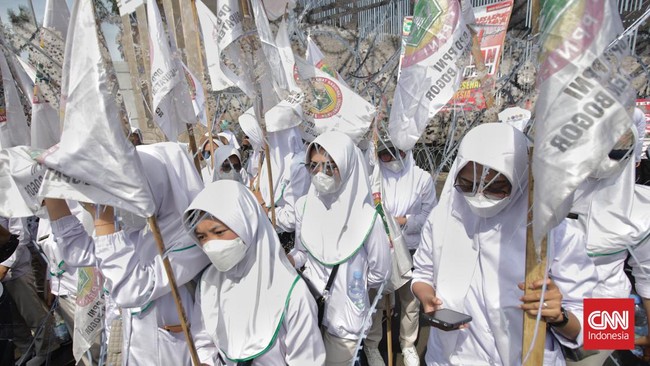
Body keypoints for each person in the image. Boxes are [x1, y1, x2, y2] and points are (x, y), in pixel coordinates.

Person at [411, 123, 597, 365]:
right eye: (467, 185)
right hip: (447, 358)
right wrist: (427, 297)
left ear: (520, 177)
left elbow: (596, 326)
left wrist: (559, 316)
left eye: (496, 188)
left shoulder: (555, 232)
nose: (478, 196)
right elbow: (423, 273)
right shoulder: (442, 219)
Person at [45, 142, 211, 365]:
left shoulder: (194, 242)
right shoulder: (140, 234)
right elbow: (80, 255)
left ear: (160, 186)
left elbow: (132, 290)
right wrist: (53, 193)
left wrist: (103, 217)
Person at [184, 180, 326, 365]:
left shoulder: (291, 293)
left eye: (218, 232)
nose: (211, 245)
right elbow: (203, 340)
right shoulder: (208, 284)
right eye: (202, 237)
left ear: (247, 225)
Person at [289, 131, 392, 366]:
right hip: (309, 310)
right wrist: (289, 259)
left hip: (344, 321)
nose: (319, 174)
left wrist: (353, 287)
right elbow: (302, 252)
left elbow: (380, 273)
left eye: (329, 167)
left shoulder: (368, 219)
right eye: (313, 166)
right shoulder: (304, 207)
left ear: (347, 167)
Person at [566, 127, 650, 365]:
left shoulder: (643, 208)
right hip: (541, 303)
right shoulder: (534, 192)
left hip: (606, 307)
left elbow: (647, 278)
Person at [365, 140, 437, 366]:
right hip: (379, 247)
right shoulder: (373, 179)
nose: (392, 160)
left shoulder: (422, 178)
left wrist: (401, 222)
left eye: (398, 153)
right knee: (376, 300)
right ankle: (372, 345)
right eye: (385, 155)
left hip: (410, 247)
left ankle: (407, 344)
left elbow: (429, 216)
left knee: (410, 300)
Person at [1, 216, 61, 366]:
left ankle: (46, 349)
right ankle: (27, 348)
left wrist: (5, 265)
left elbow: (20, 234)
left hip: (16, 269)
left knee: (33, 313)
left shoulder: (6, 198)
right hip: (3, 277)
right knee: (11, 320)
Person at [252, 126, 310, 251]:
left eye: (269, 134)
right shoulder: (271, 159)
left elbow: (292, 219)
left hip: (284, 241)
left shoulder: (299, 166)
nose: (265, 137)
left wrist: (264, 208)